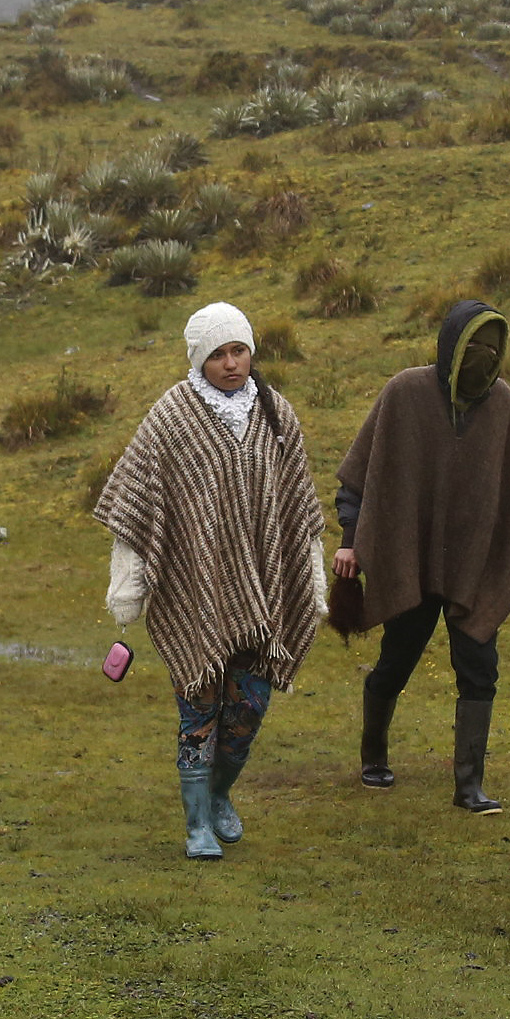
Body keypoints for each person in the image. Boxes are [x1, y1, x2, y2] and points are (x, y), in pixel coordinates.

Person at [95, 302, 330, 861]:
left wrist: (311, 575)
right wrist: (129, 586)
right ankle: (197, 822)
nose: (231, 364)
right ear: (199, 359)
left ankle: (222, 792)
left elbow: (298, 504)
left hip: (264, 592)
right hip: (192, 590)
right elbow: (136, 498)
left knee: (248, 707)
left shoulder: (276, 414)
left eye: (239, 351)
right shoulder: (171, 417)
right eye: (219, 355)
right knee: (197, 710)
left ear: (252, 352)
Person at [332, 298, 510, 812]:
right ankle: (373, 754)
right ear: (451, 346)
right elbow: (362, 476)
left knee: (478, 666)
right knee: (396, 660)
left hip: (475, 561)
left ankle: (469, 786)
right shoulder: (405, 393)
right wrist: (351, 539)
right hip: (412, 556)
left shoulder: (502, 404)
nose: (484, 358)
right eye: (474, 346)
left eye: (494, 349)